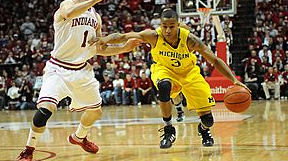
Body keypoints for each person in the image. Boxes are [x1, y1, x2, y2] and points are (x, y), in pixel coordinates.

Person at [17, 0, 141, 161]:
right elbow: (70, 12)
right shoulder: (66, 5)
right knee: (45, 110)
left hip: (82, 70)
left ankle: (79, 137)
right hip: (58, 69)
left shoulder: (96, 17)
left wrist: (125, 47)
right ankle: (28, 149)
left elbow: (100, 48)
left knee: (95, 111)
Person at [99, 8, 249, 149]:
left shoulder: (190, 40)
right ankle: (169, 129)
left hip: (189, 74)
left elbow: (215, 60)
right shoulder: (154, 36)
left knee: (208, 120)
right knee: (164, 86)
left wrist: (234, 80)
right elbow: (124, 36)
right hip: (164, 70)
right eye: (165, 26)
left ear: (178, 25)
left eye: (172, 26)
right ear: (161, 25)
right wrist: (105, 39)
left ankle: (203, 129)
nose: (168, 30)